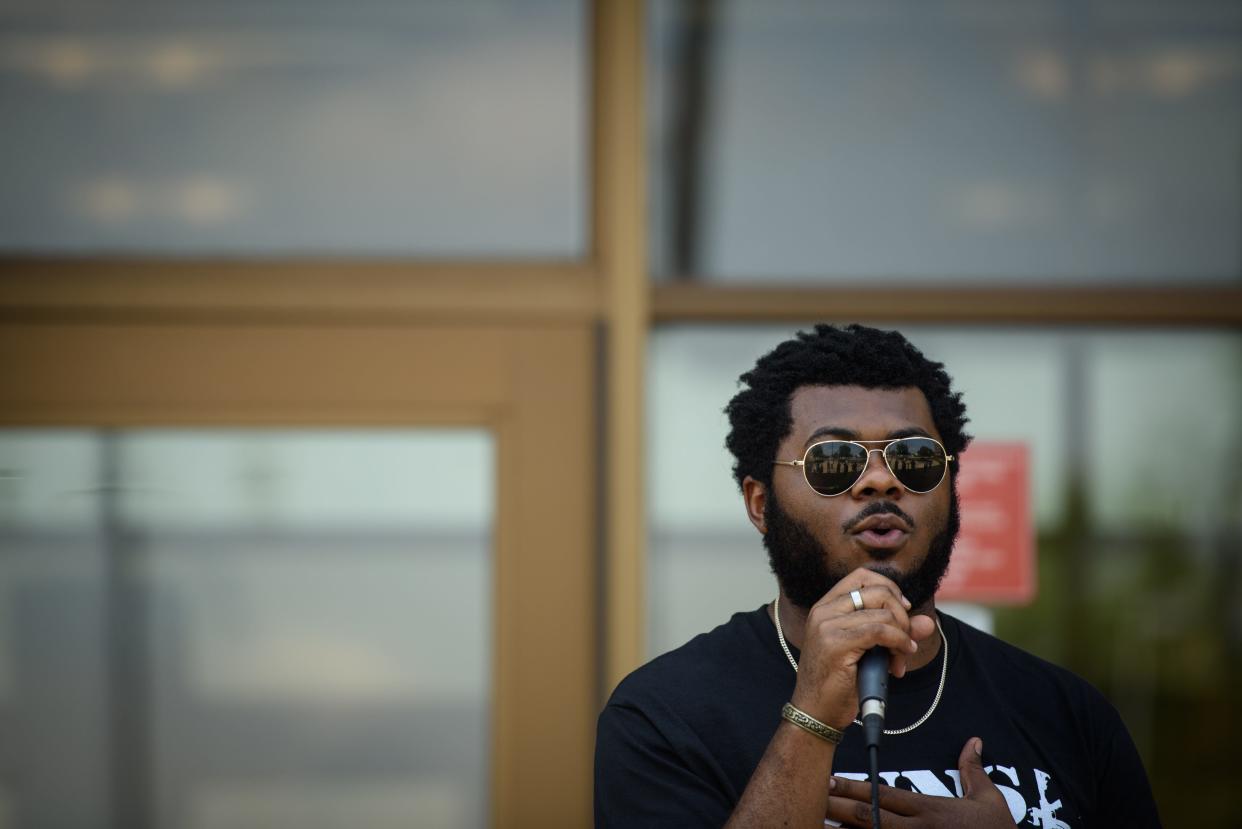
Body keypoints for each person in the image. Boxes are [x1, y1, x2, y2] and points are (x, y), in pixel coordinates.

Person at [594, 324, 1161, 828]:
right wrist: (811, 717)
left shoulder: (1064, 712)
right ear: (759, 503)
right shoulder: (665, 715)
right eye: (835, 460)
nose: (880, 481)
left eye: (913, 457)